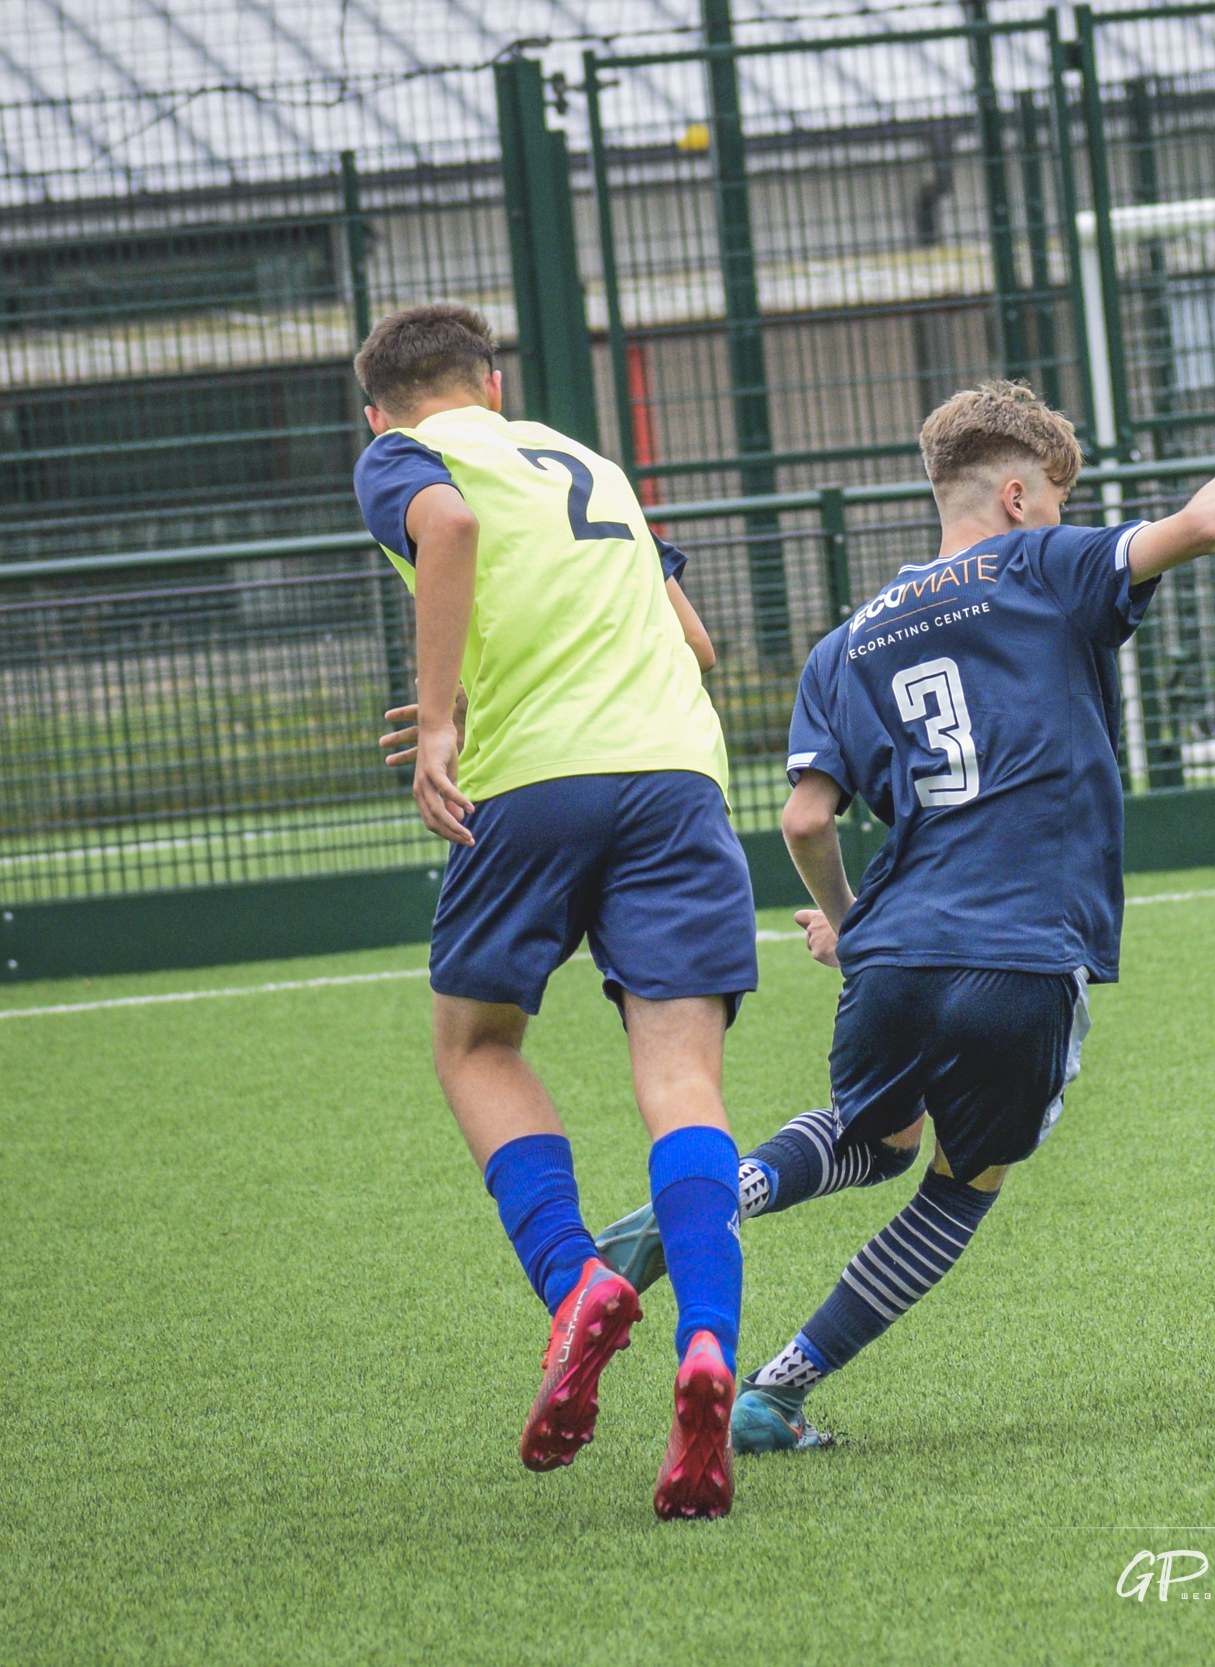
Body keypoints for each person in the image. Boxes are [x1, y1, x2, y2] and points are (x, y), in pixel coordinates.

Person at [595, 364, 1215, 1448]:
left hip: (894, 954)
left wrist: (850, 925)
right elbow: (1203, 522)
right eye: (1058, 497)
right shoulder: (1041, 563)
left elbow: (805, 822)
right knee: (957, 1182)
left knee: (876, 1133)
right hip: (1022, 950)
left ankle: (711, 1195)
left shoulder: (845, 640)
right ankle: (773, 1391)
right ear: (1017, 496)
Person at [355, 303, 750, 1515]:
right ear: (494, 380)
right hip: (680, 778)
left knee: (475, 1042)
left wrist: (440, 720)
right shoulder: (593, 464)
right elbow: (696, 642)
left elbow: (452, 525)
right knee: (681, 1081)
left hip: (535, 784)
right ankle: (709, 1350)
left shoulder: (406, 457)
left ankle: (575, 1280)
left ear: (379, 411)